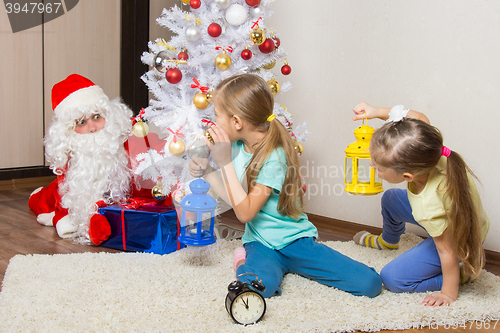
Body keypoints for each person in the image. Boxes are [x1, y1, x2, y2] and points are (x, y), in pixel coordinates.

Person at [188, 74, 382, 298]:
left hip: (296, 241)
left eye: (217, 115)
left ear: (237, 122)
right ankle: (243, 259)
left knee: (370, 284)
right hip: (260, 244)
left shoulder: (274, 157)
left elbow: (245, 213)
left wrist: (223, 163)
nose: (213, 122)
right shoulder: (237, 147)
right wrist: (210, 172)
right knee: (259, 288)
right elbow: (237, 199)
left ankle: (254, 260)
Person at [351, 101, 490, 307]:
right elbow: (418, 117)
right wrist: (376, 112)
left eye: (378, 167)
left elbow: (447, 251)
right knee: (390, 199)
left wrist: (448, 293)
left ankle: (466, 272)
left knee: (393, 278)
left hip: (460, 238)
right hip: (450, 216)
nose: (371, 165)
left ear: (407, 176)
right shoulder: (425, 144)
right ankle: (389, 241)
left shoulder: (429, 206)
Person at [29, 74, 166, 245]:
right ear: (69, 130)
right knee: (45, 199)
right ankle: (37, 195)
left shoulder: (129, 137)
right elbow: (65, 196)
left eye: (96, 117)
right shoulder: (72, 152)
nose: (92, 128)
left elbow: (159, 162)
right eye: (81, 122)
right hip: (66, 193)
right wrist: (61, 218)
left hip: (127, 201)